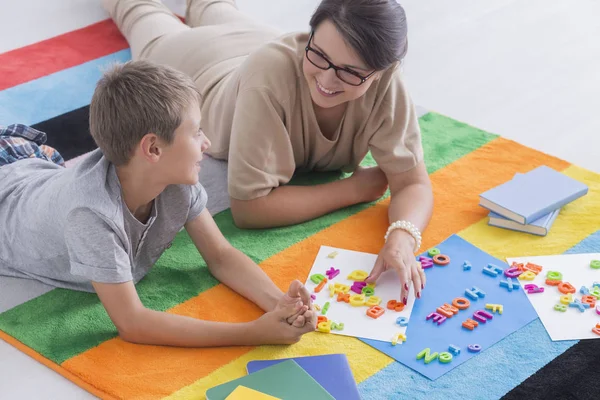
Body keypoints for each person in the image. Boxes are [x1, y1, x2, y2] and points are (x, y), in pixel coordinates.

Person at [104, 0, 433, 303]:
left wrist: (402, 237)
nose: (328, 79)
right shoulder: (270, 77)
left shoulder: (386, 82)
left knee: (213, 5)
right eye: (317, 52)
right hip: (198, 64)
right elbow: (250, 208)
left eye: (349, 72)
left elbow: (413, 184)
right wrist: (354, 188)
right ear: (309, 35)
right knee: (140, 12)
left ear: (383, 71)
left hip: (254, 40)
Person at [0, 60, 316, 347]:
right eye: (196, 132)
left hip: (32, 171)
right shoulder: (91, 215)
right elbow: (133, 324)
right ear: (152, 149)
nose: (206, 143)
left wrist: (280, 304)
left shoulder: (175, 180)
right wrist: (253, 333)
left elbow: (221, 256)